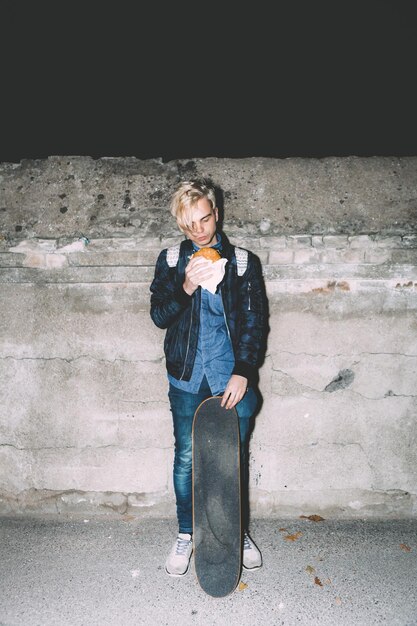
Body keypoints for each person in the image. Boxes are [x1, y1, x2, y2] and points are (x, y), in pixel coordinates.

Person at [150, 178, 268, 577]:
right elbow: (159, 316)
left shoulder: (243, 263)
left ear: (216, 212)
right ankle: (186, 533)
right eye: (189, 225)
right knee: (186, 458)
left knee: (231, 460)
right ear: (181, 226)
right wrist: (185, 285)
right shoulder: (169, 260)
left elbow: (254, 323)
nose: (199, 230)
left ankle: (236, 532)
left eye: (204, 219)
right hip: (186, 377)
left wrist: (244, 371)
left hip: (228, 376)